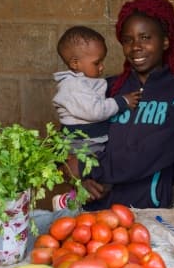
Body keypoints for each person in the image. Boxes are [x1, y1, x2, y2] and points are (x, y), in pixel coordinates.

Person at [66, 0, 174, 210]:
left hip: (147, 211)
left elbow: (151, 153)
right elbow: (70, 136)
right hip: (96, 211)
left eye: (145, 37)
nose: (135, 47)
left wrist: (85, 166)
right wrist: (78, 179)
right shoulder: (106, 88)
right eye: (128, 40)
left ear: (165, 41)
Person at [52, 25, 141, 209]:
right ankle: (66, 202)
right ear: (75, 63)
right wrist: (122, 102)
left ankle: (74, 200)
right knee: (88, 177)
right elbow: (95, 110)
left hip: (91, 143)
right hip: (81, 145)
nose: (102, 67)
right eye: (97, 62)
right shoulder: (72, 87)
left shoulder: (85, 82)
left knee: (99, 183)